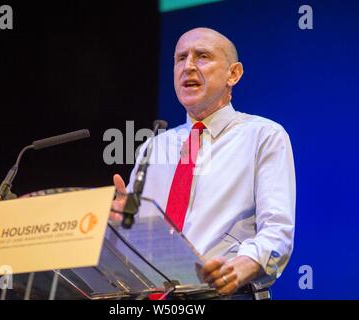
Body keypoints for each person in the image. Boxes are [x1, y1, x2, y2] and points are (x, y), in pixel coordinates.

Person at [111, 27, 295, 298]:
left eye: (202, 56)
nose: (188, 67)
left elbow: (278, 231)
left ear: (233, 74)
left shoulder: (263, 136)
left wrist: (239, 268)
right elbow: (141, 243)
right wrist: (120, 225)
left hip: (225, 294)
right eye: (180, 58)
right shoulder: (154, 146)